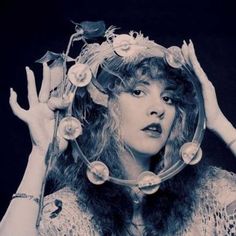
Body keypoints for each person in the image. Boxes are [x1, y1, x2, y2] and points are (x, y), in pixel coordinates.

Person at [0, 22, 236, 235]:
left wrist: (219, 123)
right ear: (104, 106)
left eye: (168, 98)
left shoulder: (209, 193)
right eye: (137, 92)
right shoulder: (67, 212)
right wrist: (40, 154)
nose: (158, 109)